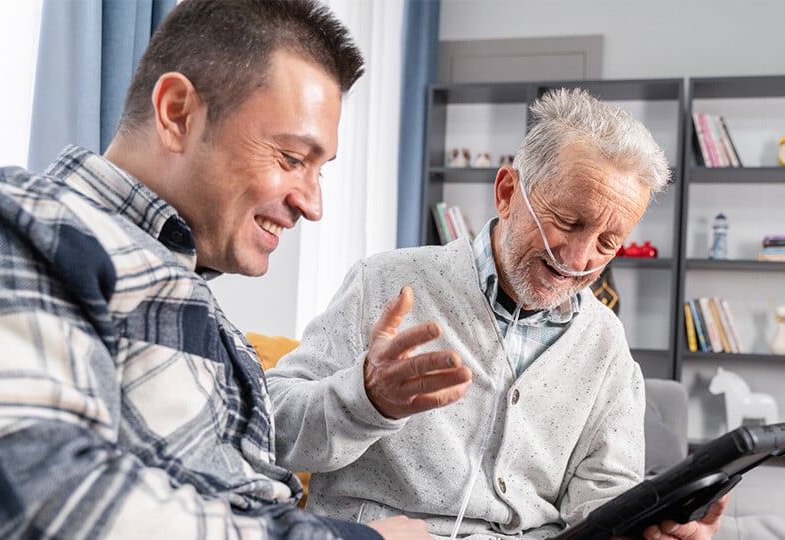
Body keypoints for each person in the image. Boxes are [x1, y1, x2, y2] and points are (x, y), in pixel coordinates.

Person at [0, 1, 432, 538]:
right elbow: (42, 499)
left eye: (320, 172)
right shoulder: (20, 222)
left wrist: (368, 399)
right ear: (177, 113)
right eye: (290, 159)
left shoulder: (197, 303)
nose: (313, 205)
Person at [266, 88, 728, 539]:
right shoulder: (384, 282)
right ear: (507, 193)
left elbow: (604, 498)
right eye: (568, 221)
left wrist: (647, 525)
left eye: (608, 243)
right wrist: (365, 399)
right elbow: (272, 428)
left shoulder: (605, 342)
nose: (578, 256)